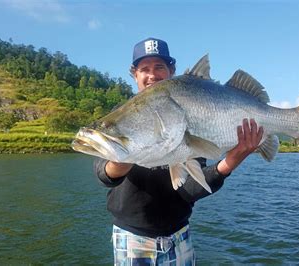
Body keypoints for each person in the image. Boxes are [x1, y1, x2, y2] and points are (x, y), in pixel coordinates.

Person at [94, 37, 264, 265]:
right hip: (132, 238)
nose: (152, 75)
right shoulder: (121, 115)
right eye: (144, 69)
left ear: (171, 71)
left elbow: (189, 190)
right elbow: (103, 175)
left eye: (159, 67)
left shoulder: (191, 114)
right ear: (134, 74)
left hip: (179, 236)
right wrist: (123, 155)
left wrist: (230, 162)